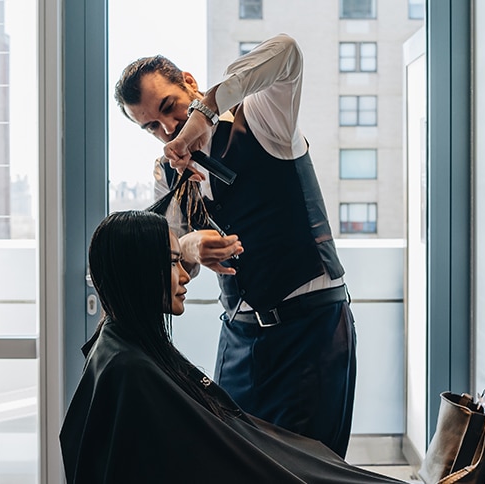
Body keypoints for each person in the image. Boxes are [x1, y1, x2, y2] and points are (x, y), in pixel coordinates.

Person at [114, 33, 356, 457]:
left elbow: (287, 51)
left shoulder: (263, 118)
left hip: (310, 331)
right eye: (151, 125)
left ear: (189, 82)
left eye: (169, 108)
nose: (167, 128)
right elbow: (174, 262)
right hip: (239, 337)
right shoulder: (167, 173)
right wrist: (190, 250)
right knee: (231, 462)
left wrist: (204, 114)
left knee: (308, 469)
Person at [59, 210, 404, 483]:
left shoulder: (123, 350)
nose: (184, 276)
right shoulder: (131, 369)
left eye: (182, 261)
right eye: (172, 262)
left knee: (318, 461)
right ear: (138, 269)